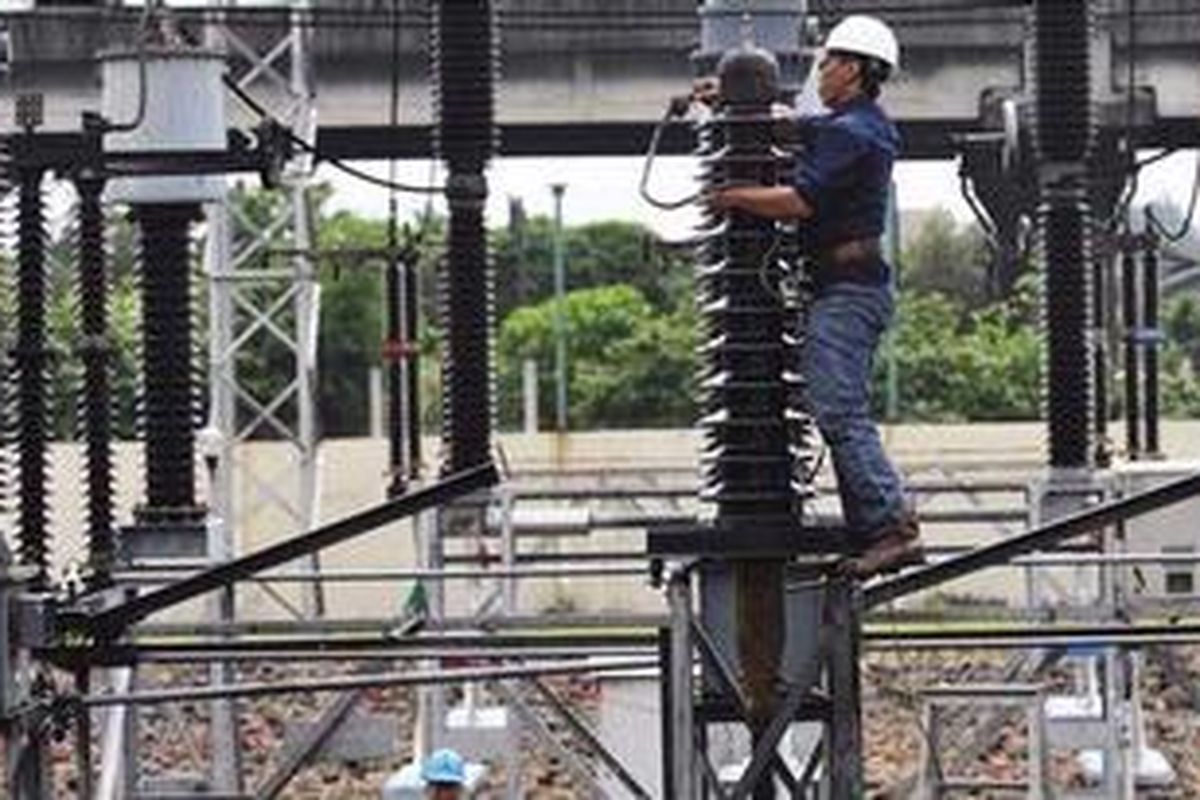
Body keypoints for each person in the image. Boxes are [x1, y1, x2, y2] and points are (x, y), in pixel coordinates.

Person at [704, 15, 925, 578]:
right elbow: (797, 127)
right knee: (837, 412)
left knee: (839, 411)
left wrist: (734, 197)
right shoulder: (853, 124)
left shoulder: (855, 132)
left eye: (826, 62)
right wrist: (731, 103)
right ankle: (868, 530)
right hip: (842, 288)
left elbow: (799, 201)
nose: (819, 71)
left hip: (848, 293)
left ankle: (892, 527)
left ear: (851, 69)